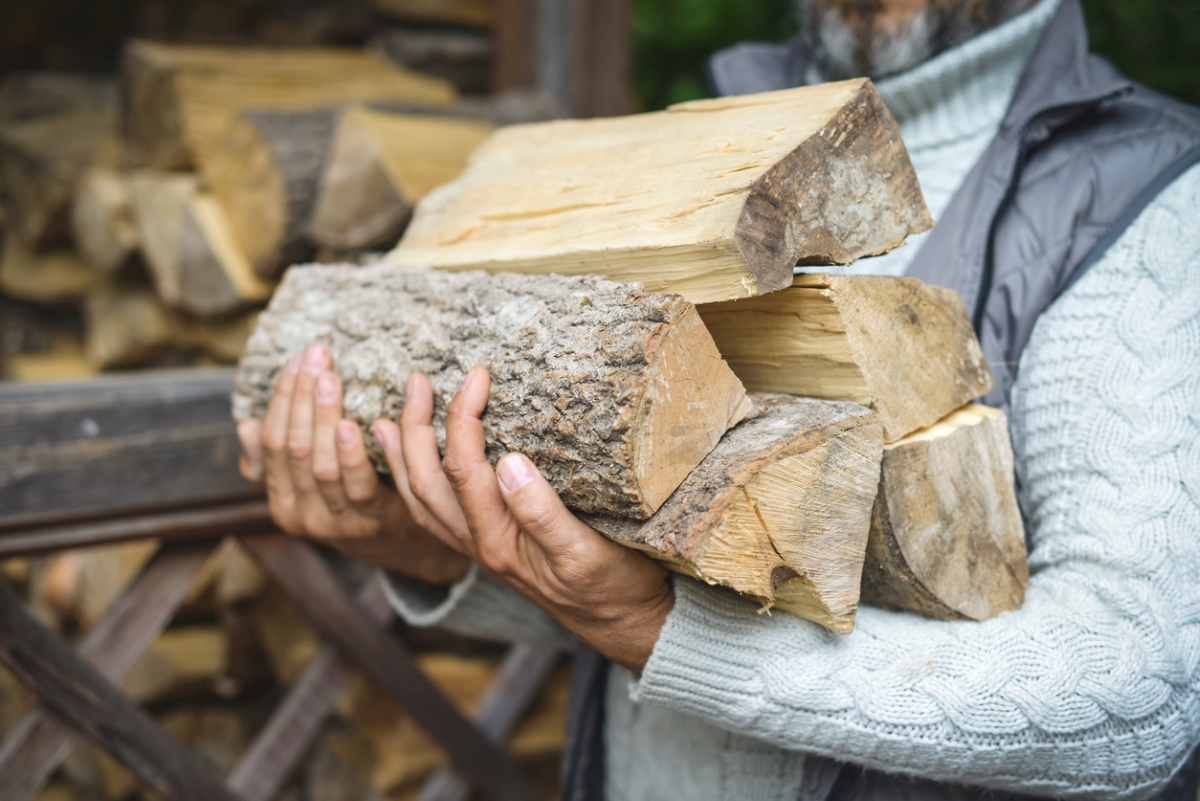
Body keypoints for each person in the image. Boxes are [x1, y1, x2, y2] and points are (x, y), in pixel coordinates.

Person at [236, 0, 1200, 798]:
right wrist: (425, 543)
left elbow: (1141, 694)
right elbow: (632, 580)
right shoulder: (694, 151)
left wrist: (667, 635)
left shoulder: (1153, 200)